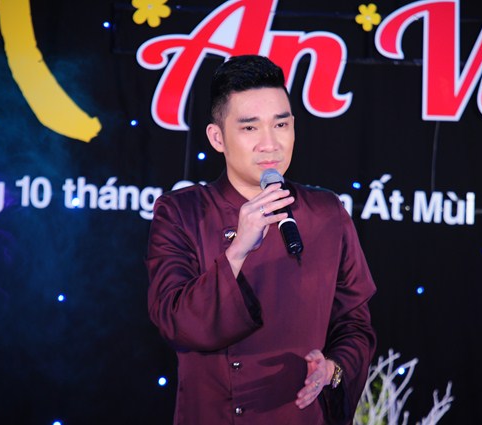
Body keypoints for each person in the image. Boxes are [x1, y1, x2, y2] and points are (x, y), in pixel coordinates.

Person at [146, 55, 377, 425]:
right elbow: (175, 321)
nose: (270, 144)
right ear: (217, 137)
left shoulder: (327, 212)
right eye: (250, 128)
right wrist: (237, 250)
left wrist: (332, 369)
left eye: (281, 124)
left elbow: (355, 324)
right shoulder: (181, 212)